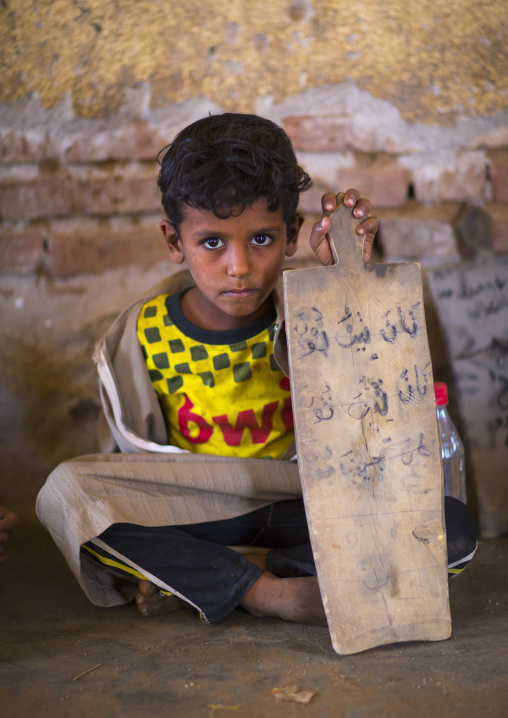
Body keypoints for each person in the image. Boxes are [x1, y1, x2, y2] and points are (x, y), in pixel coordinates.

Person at [36, 113, 476, 626]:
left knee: (451, 524)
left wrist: (347, 285)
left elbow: (377, 425)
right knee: (69, 493)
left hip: (306, 502)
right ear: (174, 241)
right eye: (213, 243)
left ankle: (226, 575)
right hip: (196, 513)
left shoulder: (316, 311)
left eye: (262, 240)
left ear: (292, 234)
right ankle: (275, 594)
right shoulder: (140, 332)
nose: (239, 267)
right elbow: (119, 468)